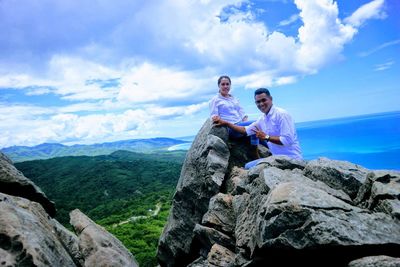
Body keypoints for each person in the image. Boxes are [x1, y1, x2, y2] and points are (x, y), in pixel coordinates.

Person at [213, 87, 302, 169]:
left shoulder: (282, 114)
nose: (261, 104)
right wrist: (227, 123)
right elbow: (245, 130)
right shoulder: (262, 119)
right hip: (276, 159)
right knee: (247, 166)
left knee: (248, 167)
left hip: (291, 160)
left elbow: (287, 140)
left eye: (264, 100)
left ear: (271, 99)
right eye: (258, 102)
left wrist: (266, 137)